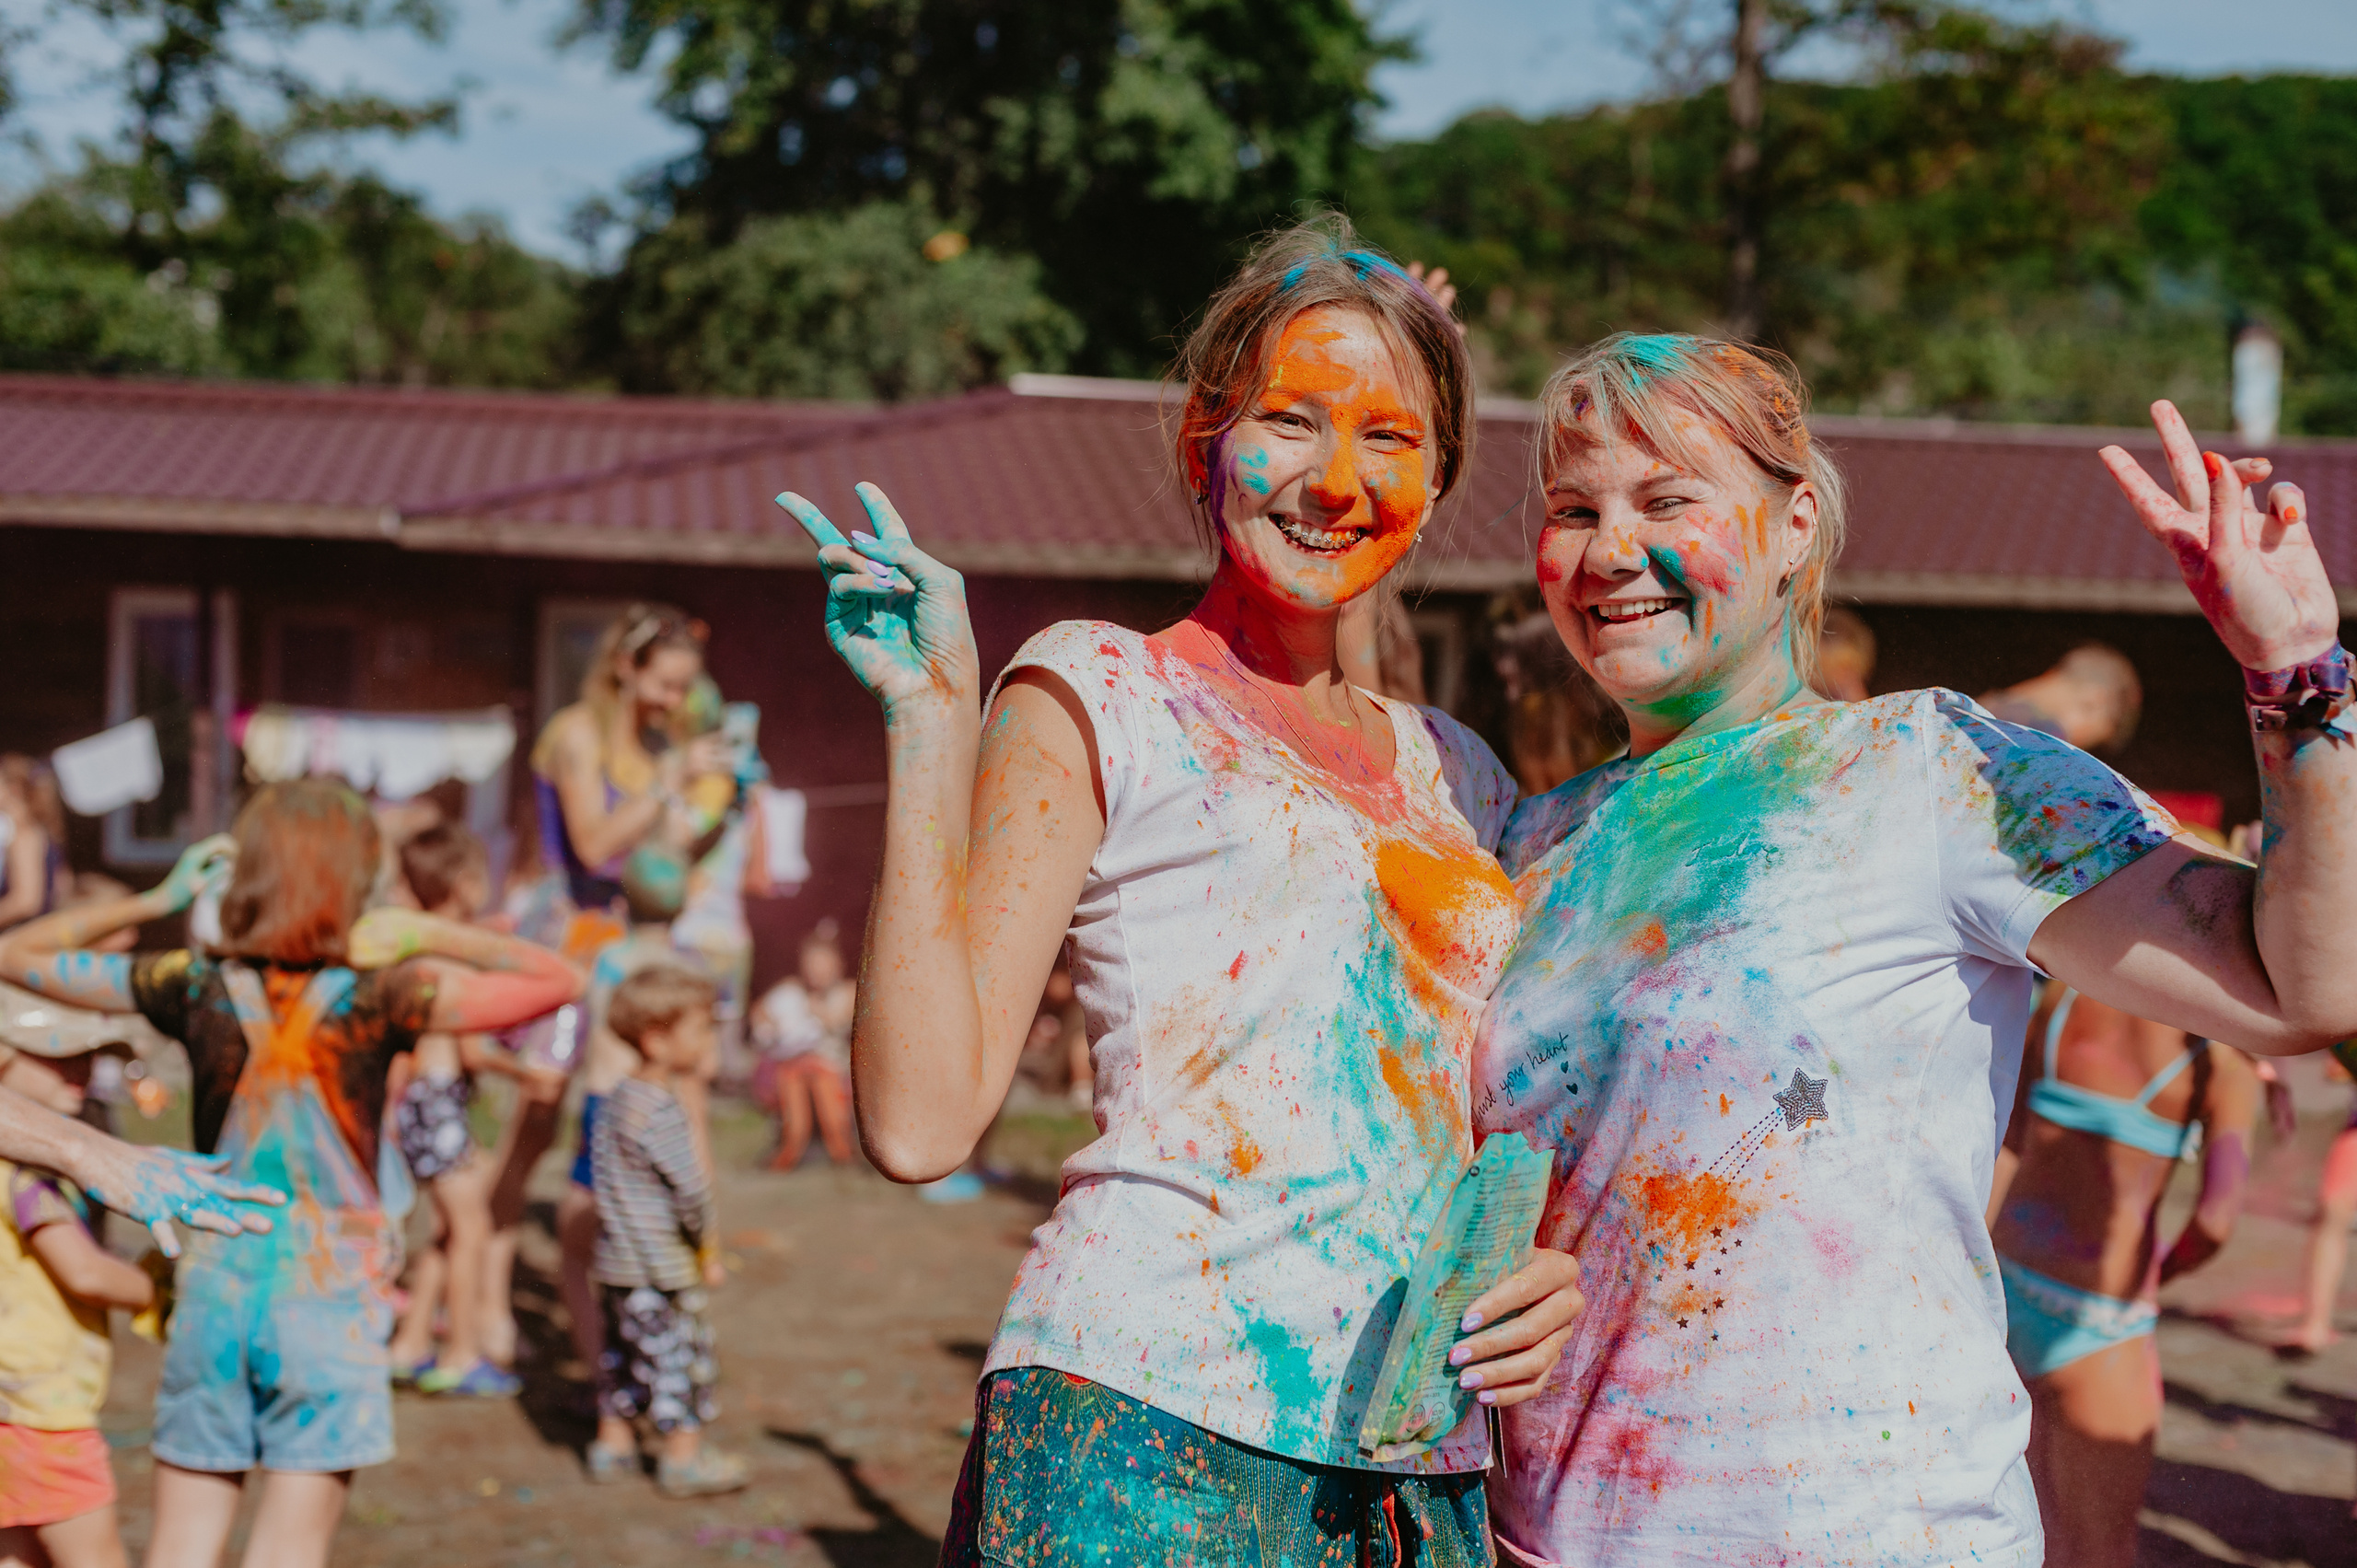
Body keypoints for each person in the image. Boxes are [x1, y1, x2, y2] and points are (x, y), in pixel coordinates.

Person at [1472, 332, 2357, 1565]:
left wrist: (2295, 673)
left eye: (1668, 499)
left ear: (1794, 527)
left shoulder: (1929, 769)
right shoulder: (1536, 842)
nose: (1611, 549)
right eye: (1576, 509)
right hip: (1552, 1539)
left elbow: (2298, 985)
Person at [781, 215, 1583, 1561]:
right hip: (1144, 1426)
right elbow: (919, 1121)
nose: (1336, 478)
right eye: (1290, 420)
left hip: (1415, 1465)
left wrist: (1541, 1270)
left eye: (1389, 436)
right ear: (1204, 438)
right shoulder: (1101, 688)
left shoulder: (1465, 776)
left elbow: (1495, 1119)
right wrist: (932, 718)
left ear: (1438, 482)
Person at [0, 781, 583, 1568]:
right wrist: (420, 930)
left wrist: (154, 898)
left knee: (182, 1546)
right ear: (359, 878)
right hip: (329, 1299)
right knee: (288, 1550)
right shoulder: (386, 993)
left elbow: (15, 956)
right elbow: (558, 979)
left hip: (211, 1290)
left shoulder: (193, 981)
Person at [482, 604, 728, 1372]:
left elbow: (659, 853)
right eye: (663, 684)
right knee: (533, 1126)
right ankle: (486, 1304)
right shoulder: (576, 735)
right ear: (625, 665)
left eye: (683, 690)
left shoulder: (657, 745)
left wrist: (713, 804)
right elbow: (592, 844)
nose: (671, 702)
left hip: (627, 947)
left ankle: (600, 1304)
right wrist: (670, 783)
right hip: (568, 945)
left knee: (615, 1119)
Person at [1989, 987, 2260, 1568]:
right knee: (2099, 1550)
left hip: (2009, 1287)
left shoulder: (2059, 1000)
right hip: (2100, 1322)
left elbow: (2007, 1143)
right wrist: (2162, 1270)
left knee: (2025, 1531)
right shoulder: (2224, 1062)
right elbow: (2215, 1222)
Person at [0, 1033, 163, 1568]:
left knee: (20, 1553)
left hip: (10, 1405)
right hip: (44, 1412)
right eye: (56, 1054)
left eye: (87, 1056)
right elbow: (85, 1273)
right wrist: (166, 1290)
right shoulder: (27, 1176)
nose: (82, 1068)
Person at [383, 821, 533, 1399]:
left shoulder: (419, 945)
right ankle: (462, 1352)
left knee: (446, 1229)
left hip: (419, 1105)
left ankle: (411, 1342)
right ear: (466, 883)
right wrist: (524, 1071)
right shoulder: (453, 959)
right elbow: (472, 1047)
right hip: (440, 1103)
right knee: (472, 1228)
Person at [584, 965, 746, 1497]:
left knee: (622, 1356)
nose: (708, 1040)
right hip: (661, 1268)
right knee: (682, 1359)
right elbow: (692, 1193)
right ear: (657, 1040)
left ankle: (613, 1444)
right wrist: (706, 1250)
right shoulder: (661, 1111)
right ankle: (683, 1459)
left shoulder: (613, 1102)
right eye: (700, 1028)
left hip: (615, 1263)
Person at [749, 921, 856, 1171]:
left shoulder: (846, 991)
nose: (816, 972)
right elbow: (761, 1011)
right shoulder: (790, 989)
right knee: (794, 1077)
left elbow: (838, 1021)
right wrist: (769, 1022)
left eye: (822, 965)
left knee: (818, 1076)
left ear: (837, 965)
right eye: (811, 965)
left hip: (833, 1065)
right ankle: (792, 1146)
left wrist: (816, 1008)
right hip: (793, 1064)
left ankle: (840, 1147)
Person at [1980, 642, 2143, 753]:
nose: (2076, 746)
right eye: (2088, 740)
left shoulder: (1974, 708)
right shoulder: (2045, 740)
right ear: (2093, 700)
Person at [0, 757, 67, 931]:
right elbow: (63, 885)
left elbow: (26, 902)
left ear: (13, 789)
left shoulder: (24, 835)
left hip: (18, 937)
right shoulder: (38, 831)